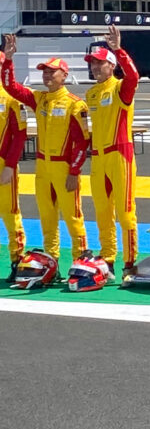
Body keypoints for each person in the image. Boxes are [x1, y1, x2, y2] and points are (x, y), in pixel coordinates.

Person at [2, 38, 89, 278]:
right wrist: (8, 60)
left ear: (64, 74)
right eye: (44, 72)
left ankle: (80, 263)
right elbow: (11, 87)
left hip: (64, 167)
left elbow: (83, 141)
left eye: (52, 71)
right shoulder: (39, 99)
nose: (47, 76)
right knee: (47, 219)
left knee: (73, 218)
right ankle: (52, 266)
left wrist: (74, 171)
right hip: (42, 166)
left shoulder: (75, 104)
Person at [84, 25, 142, 280]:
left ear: (110, 65)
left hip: (120, 154)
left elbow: (133, 77)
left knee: (125, 211)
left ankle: (130, 264)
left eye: (99, 64)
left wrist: (119, 50)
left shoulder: (120, 88)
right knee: (102, 211)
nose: (95, 68)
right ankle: (107, 259)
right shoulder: (91, 93)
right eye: (92, 64)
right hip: (98, 157)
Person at [0, 46, 27, 283]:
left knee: (10, 214)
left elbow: (19, 135)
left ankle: (17, 260)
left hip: (2, 165)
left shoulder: (11, 98)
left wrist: (10, 165)